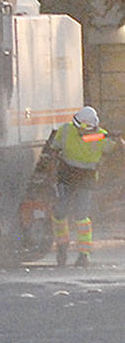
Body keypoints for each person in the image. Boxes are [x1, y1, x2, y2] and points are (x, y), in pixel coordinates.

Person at [36, 105, 121, 266]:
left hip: (86, 179)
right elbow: (54, 151)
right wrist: (51, 174)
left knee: (81, 216)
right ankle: (62, 246)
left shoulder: (101, 137)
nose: (80, 131)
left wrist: (118, 141)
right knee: (60, 212)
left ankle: (84, 254)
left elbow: (116, 150)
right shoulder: (67, 130)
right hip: (66, 176)